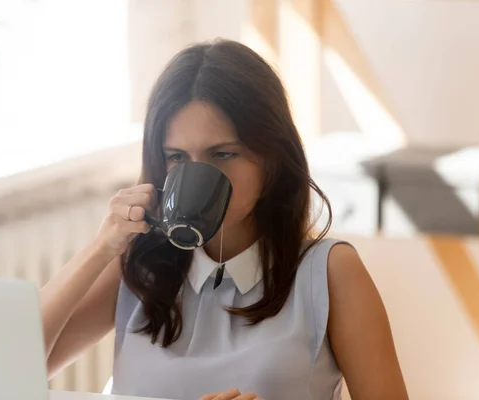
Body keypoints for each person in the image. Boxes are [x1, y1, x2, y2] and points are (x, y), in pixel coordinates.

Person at [40, 39, 408, 400]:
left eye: (222, 154)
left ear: (272, 159)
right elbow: (10, 362)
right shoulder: (137, 263)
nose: (198, 174)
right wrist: (99, 249)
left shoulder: (329, 272)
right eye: (177, 157)